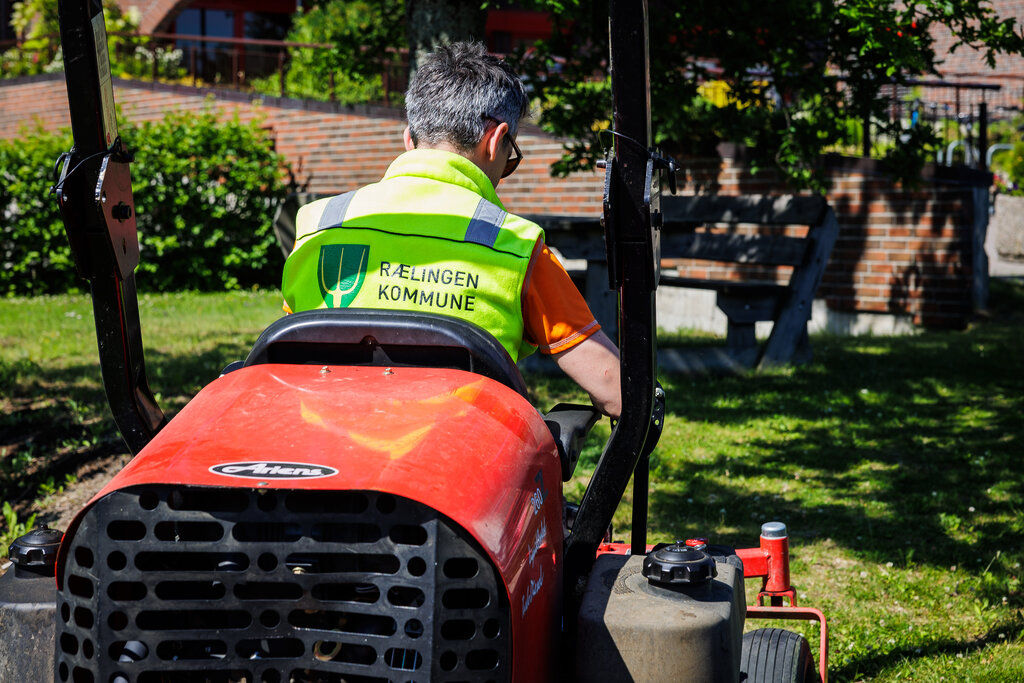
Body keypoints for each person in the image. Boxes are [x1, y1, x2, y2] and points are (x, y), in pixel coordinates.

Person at [281, 41, 621, 418]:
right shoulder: (516, 246)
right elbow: (612, 387)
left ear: (409, 139)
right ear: (495, 142)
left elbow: (288, 348)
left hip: (325, 453)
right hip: (460, 457)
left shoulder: (318, 223)